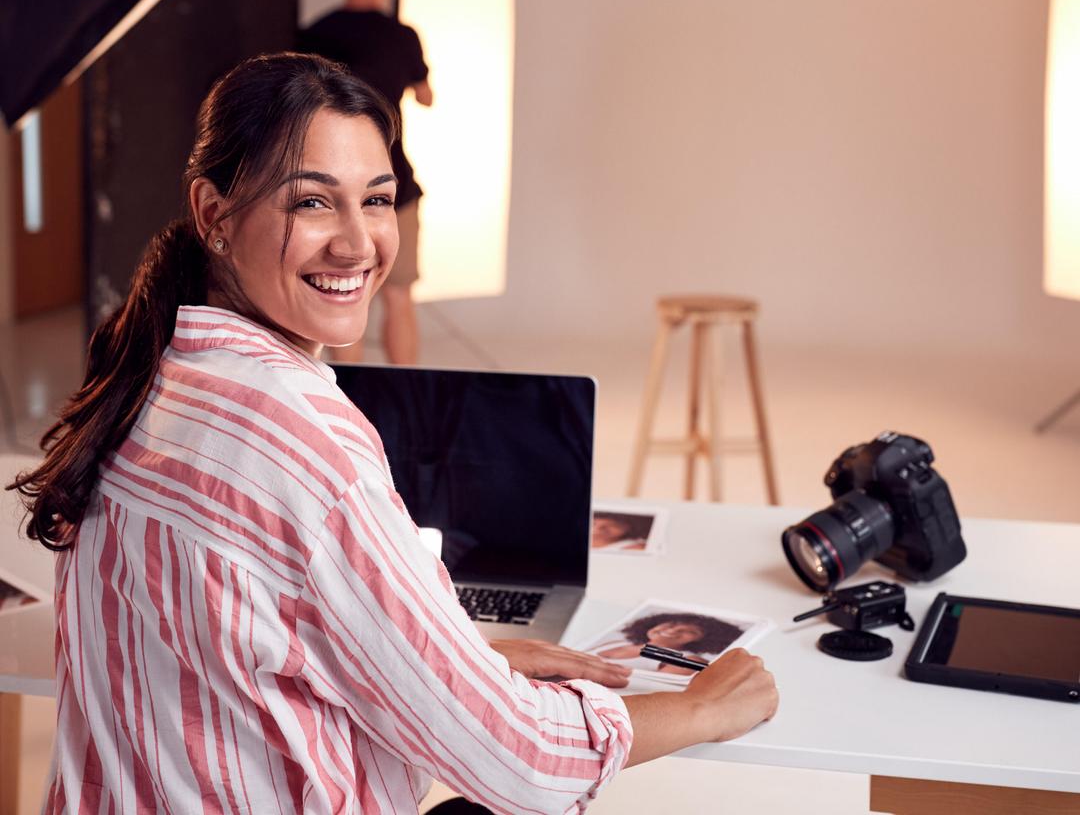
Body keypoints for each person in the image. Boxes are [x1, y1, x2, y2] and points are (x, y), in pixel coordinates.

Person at [8, 54, 778, 813]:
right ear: (213, 213)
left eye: (377, 200)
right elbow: (526, 763)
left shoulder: (147, 379)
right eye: (312, 203)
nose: (357, 243)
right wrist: (703, 709)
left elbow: (220, 654)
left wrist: (455, 663)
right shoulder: (304, 444)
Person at [299, 0, 431, 365]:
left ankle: (349, 414)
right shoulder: (401, 35)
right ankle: (405, 403)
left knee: (343, 301)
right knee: (398, 298)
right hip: (393, 183)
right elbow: (427, 95)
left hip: (331, 189)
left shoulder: (314, 35)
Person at [593, 612, 745, 676]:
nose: (672, 631)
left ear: (703, 641)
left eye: (690, 631)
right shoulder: (615, 643)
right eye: (671, 624)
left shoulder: (689, 661)